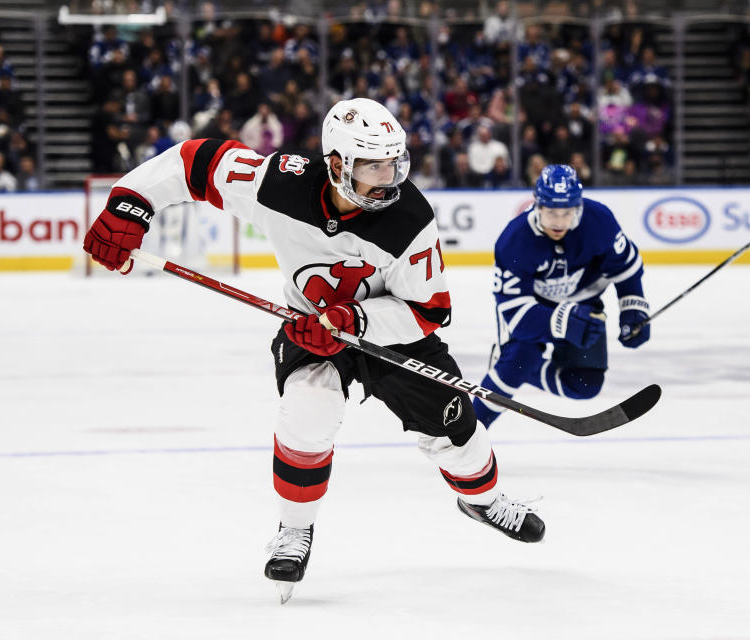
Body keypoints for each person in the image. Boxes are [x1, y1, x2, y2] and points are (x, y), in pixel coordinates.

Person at [81, 98, 545, 603]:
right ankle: (295, 529)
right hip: (309, 328)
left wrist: (357, 319)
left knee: (456, 431)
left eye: (393, 162)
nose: (387, 176)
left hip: (393, 333)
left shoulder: (409, 216)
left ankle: (485, 501)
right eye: (372, 164)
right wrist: (129, 203)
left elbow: (429, 310)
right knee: (308, 406)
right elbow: (193, 161)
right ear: (337, 164)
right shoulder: (280, 183)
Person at [472, 164, 650, 429]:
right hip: (533, 309)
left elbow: (626, 268)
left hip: (583, 303)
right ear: (538, 206)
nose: (558, 222)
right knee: (519, 360)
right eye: (551, 213)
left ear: (577, 207)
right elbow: (516, 314)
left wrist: (632, 307)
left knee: (585, 385)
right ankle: (468, 431)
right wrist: (562, 321)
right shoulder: (514, 240)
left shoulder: (599, 221)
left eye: (566, 213)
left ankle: (516, 365)